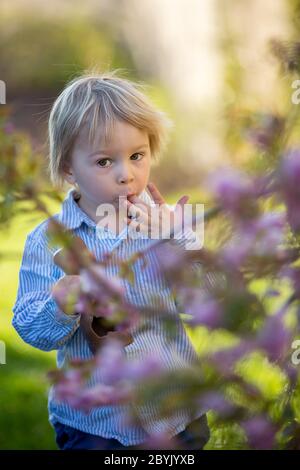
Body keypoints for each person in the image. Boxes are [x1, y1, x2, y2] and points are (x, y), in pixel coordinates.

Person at [12, 70, 210, 450]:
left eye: (137, 156)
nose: (126, 174)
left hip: (176, 415)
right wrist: (61, 302)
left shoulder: (169, 226)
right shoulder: (48, 240)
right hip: (95, 427)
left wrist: (177, 241)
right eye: (104, 162)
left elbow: (207, 303)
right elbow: (32, 330)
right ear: (69, 168)